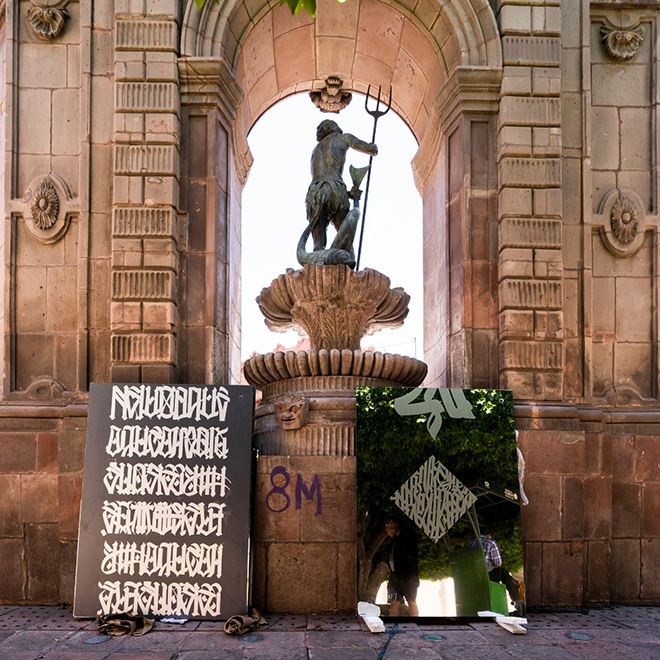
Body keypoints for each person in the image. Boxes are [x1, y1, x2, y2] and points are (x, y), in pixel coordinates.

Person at [305, 119, 377, 252]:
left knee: (318, 246)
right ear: (332, 127)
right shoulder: (342, 138)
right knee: (345, 241)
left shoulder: (316, 150)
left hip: (315, 192)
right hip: (335, 188)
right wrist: (372, 147)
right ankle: (348, 265)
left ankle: (317, 265)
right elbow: (371, 150)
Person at [465, 528, 521, 612]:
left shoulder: (468, 543)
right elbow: (498, 563)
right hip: (486, 575)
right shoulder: (490, 543)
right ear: (488, 535)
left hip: (472, 576)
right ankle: (517, 600)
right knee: (504, 572)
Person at [385, 516, 419, 616]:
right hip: (395, 574)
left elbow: (403, 550)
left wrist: (393, 537)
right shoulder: (395, 539)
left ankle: (414, 625)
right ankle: (393, 624)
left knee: (411, 601)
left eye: (392, 523)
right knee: (394, 601)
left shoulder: (408, 536)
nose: (390, 526)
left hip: (408, 575)